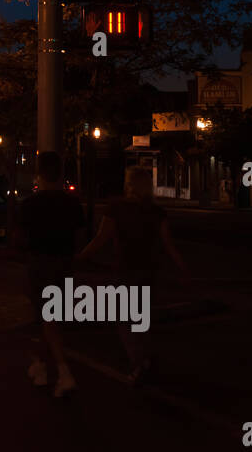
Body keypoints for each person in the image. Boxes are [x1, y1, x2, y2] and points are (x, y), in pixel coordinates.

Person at [77, 165, 191, 384]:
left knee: (123, 319)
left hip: (126, 269)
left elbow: (101, 239)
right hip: (149, 270)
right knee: (141, 319)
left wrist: (81, 257)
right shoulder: (156, 212)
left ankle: (139, 362)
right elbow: (168, 245)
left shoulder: (116, 208)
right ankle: (145, 358)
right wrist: (182, 267)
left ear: (130, 184)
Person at [16, 150, 85, 398]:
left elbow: (20, 239)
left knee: (46, 318)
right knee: (52, 319)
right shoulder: (72, 203)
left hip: (39, 264)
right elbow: (79, 237)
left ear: (39, 173)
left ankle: (63, 371)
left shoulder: (30, 205)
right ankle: (41, 365)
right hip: (64, 264)